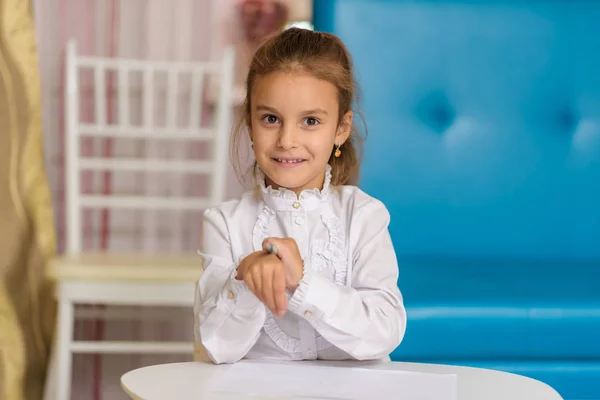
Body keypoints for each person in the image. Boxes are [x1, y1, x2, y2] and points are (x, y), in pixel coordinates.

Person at [193, 27, 406, 364]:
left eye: (309, 120)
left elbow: (384, 333)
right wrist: (247, 278)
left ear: (341, 129)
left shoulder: (364, 216)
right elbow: (217, 346)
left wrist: (304, 283)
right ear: (249, 124)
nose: (287, 140)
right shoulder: (224, 222)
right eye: (271, 119)